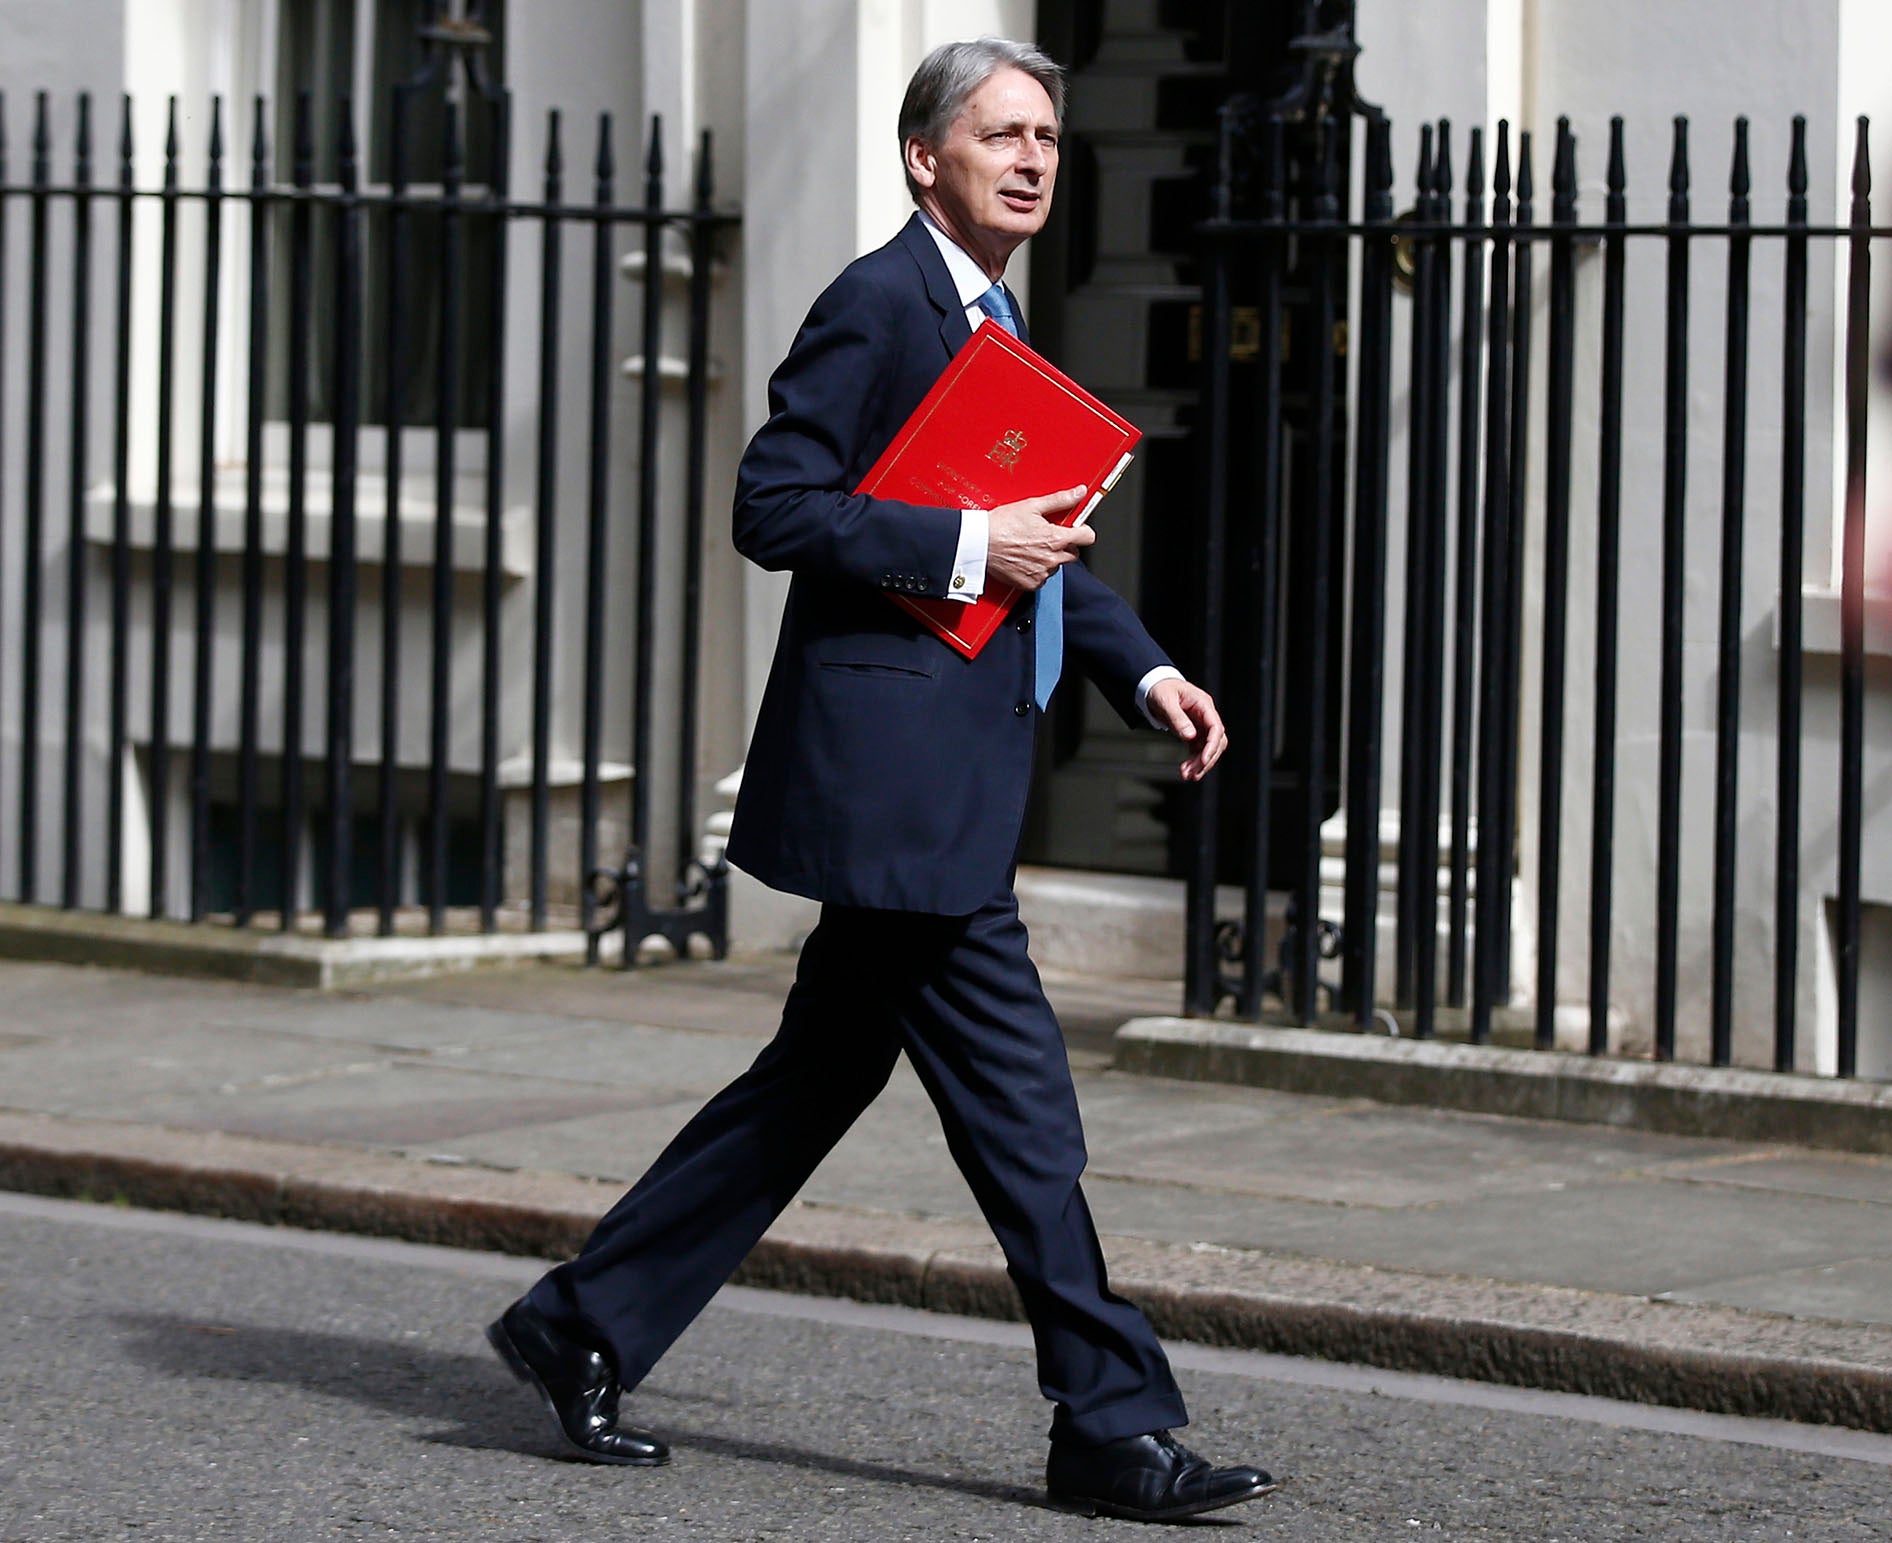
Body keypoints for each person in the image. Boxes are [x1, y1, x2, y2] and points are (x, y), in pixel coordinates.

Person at [488, 36, 1275, 1524]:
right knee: (1025, 1114)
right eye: (1003, 136)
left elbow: (1038, 534)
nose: (1037, 158)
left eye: (1048, 134)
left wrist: (1142, 665)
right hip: (899, 796)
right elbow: (775, 505)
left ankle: (579, 1323)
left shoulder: (993, 318)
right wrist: (970, 551)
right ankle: (1109, 1423)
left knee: (804, 1091)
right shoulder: (879, 301)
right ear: (929, 158)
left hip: (936, 786)